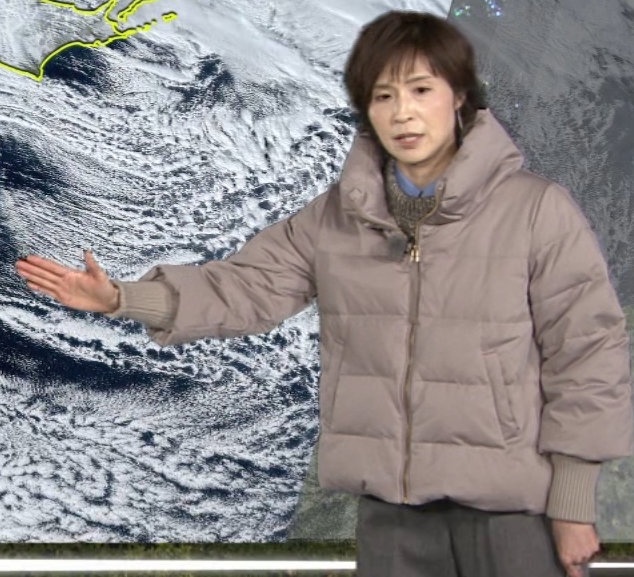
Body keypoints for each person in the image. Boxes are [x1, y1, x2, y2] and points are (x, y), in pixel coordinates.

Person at [15, 10, 632, 577]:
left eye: (421, 91)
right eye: (383, 96)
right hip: (390, 514)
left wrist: (573, 500)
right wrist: (123, 300)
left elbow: (588, 353)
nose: (403, 113)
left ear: (461, 98)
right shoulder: (338, 218)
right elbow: (247, 287)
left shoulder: (536, 211)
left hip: (512, 515)